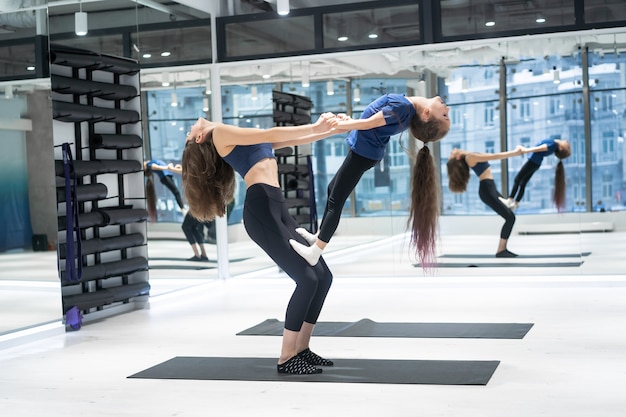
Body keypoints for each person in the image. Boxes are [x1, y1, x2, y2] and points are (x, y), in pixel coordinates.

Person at [182, 114, 341, 375]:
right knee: (307, 280)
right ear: (200, 138)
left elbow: (290, 138)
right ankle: (286, 358)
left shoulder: (234, 136)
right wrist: (317, 126)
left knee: (323, 277)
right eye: (189, 132)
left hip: (275, 205)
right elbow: (272, 133)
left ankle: (302, 349)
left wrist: (329, 131)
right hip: (262, 210)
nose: (190, 127)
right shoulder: (219, 133)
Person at [288, 93, 451, 268]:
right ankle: (319, 235)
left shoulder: (402, 107)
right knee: (331, 189)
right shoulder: (406, 107)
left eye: (444, 115)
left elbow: (369, 124)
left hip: (363, 154)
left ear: (426, 114)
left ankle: (316, 251)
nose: (447, 108)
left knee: (337, 199)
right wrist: (350, 122)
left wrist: (341, 124)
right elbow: (373, 124)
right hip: (364, 152)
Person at [447, 146, 525, 258]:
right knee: (510, 218)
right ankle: (501, 250)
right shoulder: (470, 157)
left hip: (489, 188)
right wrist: (515, 153)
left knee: (510, 216)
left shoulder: (469, 155)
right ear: (458, 157)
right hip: (487, 190)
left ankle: (502, 249)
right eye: (451, 153)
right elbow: (494, 156)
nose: (452, 150)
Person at [500, 136, 571, 211]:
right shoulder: (554, 144)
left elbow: (542, 148)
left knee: (517, 179)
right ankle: (515, 204)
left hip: (533, 162)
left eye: (568, 146)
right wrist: (527, 151)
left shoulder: (553, 144)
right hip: (535, 163)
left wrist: (526, 150)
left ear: (561, 148)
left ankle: (509, 200)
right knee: (523, 183)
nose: (567, 141)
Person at [164, 163, 211, 262]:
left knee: (185, 227)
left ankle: (197, 255)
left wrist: (171, 168)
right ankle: (203, 254)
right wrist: (176, 168)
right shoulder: (202, 173)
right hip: (201, 205)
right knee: (194, 228)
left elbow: (184, 171)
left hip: (197, 206)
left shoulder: (196, 174)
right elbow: (184, 170)